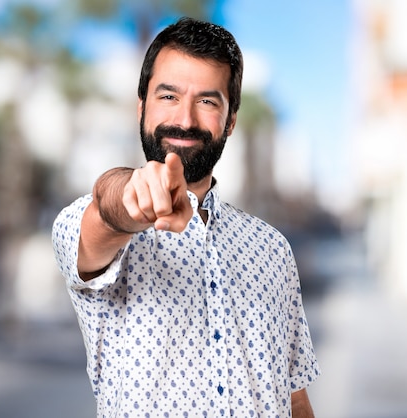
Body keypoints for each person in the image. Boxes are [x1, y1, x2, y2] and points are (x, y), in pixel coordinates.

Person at [52, 17, 320, 417]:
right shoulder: (89, 224)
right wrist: (133, 196)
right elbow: (107, 210)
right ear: (141, 107)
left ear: (230, 120)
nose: (186, 119)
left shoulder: (273, 249)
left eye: (208, 101)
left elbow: (294, 395)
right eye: (168, 96)